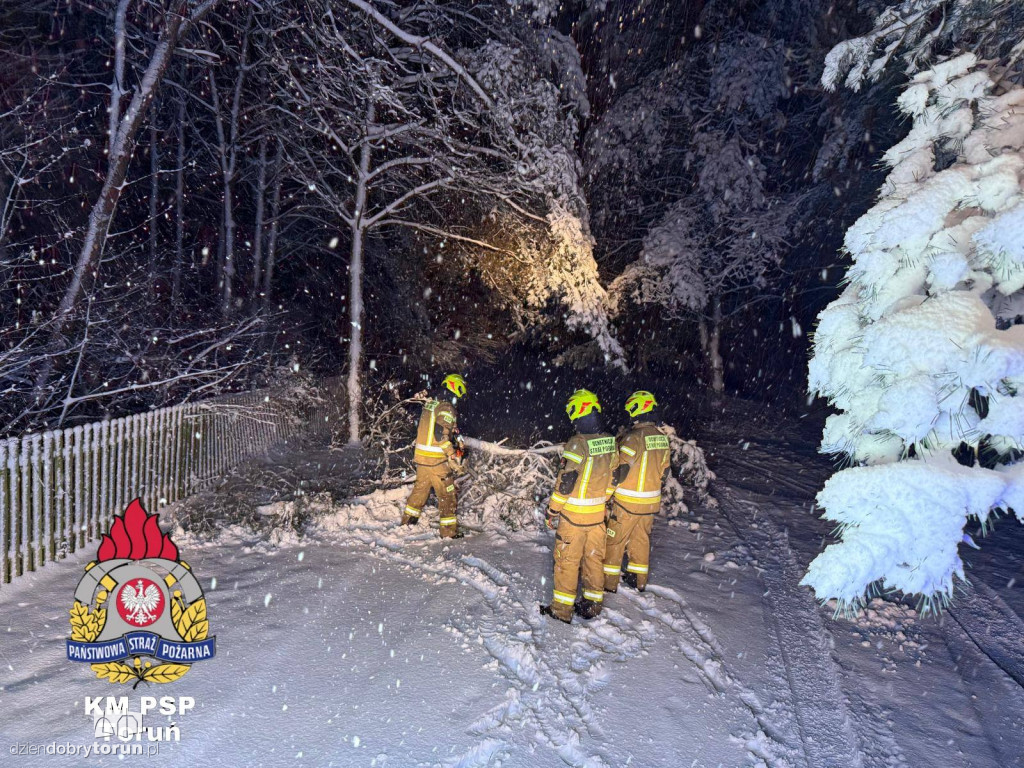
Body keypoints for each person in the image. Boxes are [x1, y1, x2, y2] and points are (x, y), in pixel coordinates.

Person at [540, 389, 619, 623]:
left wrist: (552, 509)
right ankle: (592, 605)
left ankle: (562, 611)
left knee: (567, 561)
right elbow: (616, 475)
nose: (572, 418)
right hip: (597, 517)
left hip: (573, 518)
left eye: (573, 412)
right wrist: (602, 499)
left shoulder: (577, 444)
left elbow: (566, 483)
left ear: (580, 410)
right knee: (594, 560)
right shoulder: (609, 441)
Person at [603, 390, 671, 593]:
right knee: (641, 540)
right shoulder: (661, 438)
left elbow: (620, 471)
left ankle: (608, 583)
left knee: (614, 541)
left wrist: (606, 494)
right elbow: (665, 472)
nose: (630, 413)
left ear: (639, 409)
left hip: (627, 502)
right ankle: (637, 579)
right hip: (650, 504)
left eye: (631, 409)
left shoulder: (633, 438)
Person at [401, 374, 467, 538]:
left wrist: (454, 434)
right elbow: (440, 434)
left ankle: (407, 524)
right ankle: (448, 533)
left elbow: (433, 429)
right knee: (447, 496)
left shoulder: (431, 404)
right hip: (437, 461)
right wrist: (452, 455)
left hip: (422, 459)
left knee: (420, 492)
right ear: (455, 387)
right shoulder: (447, 407)